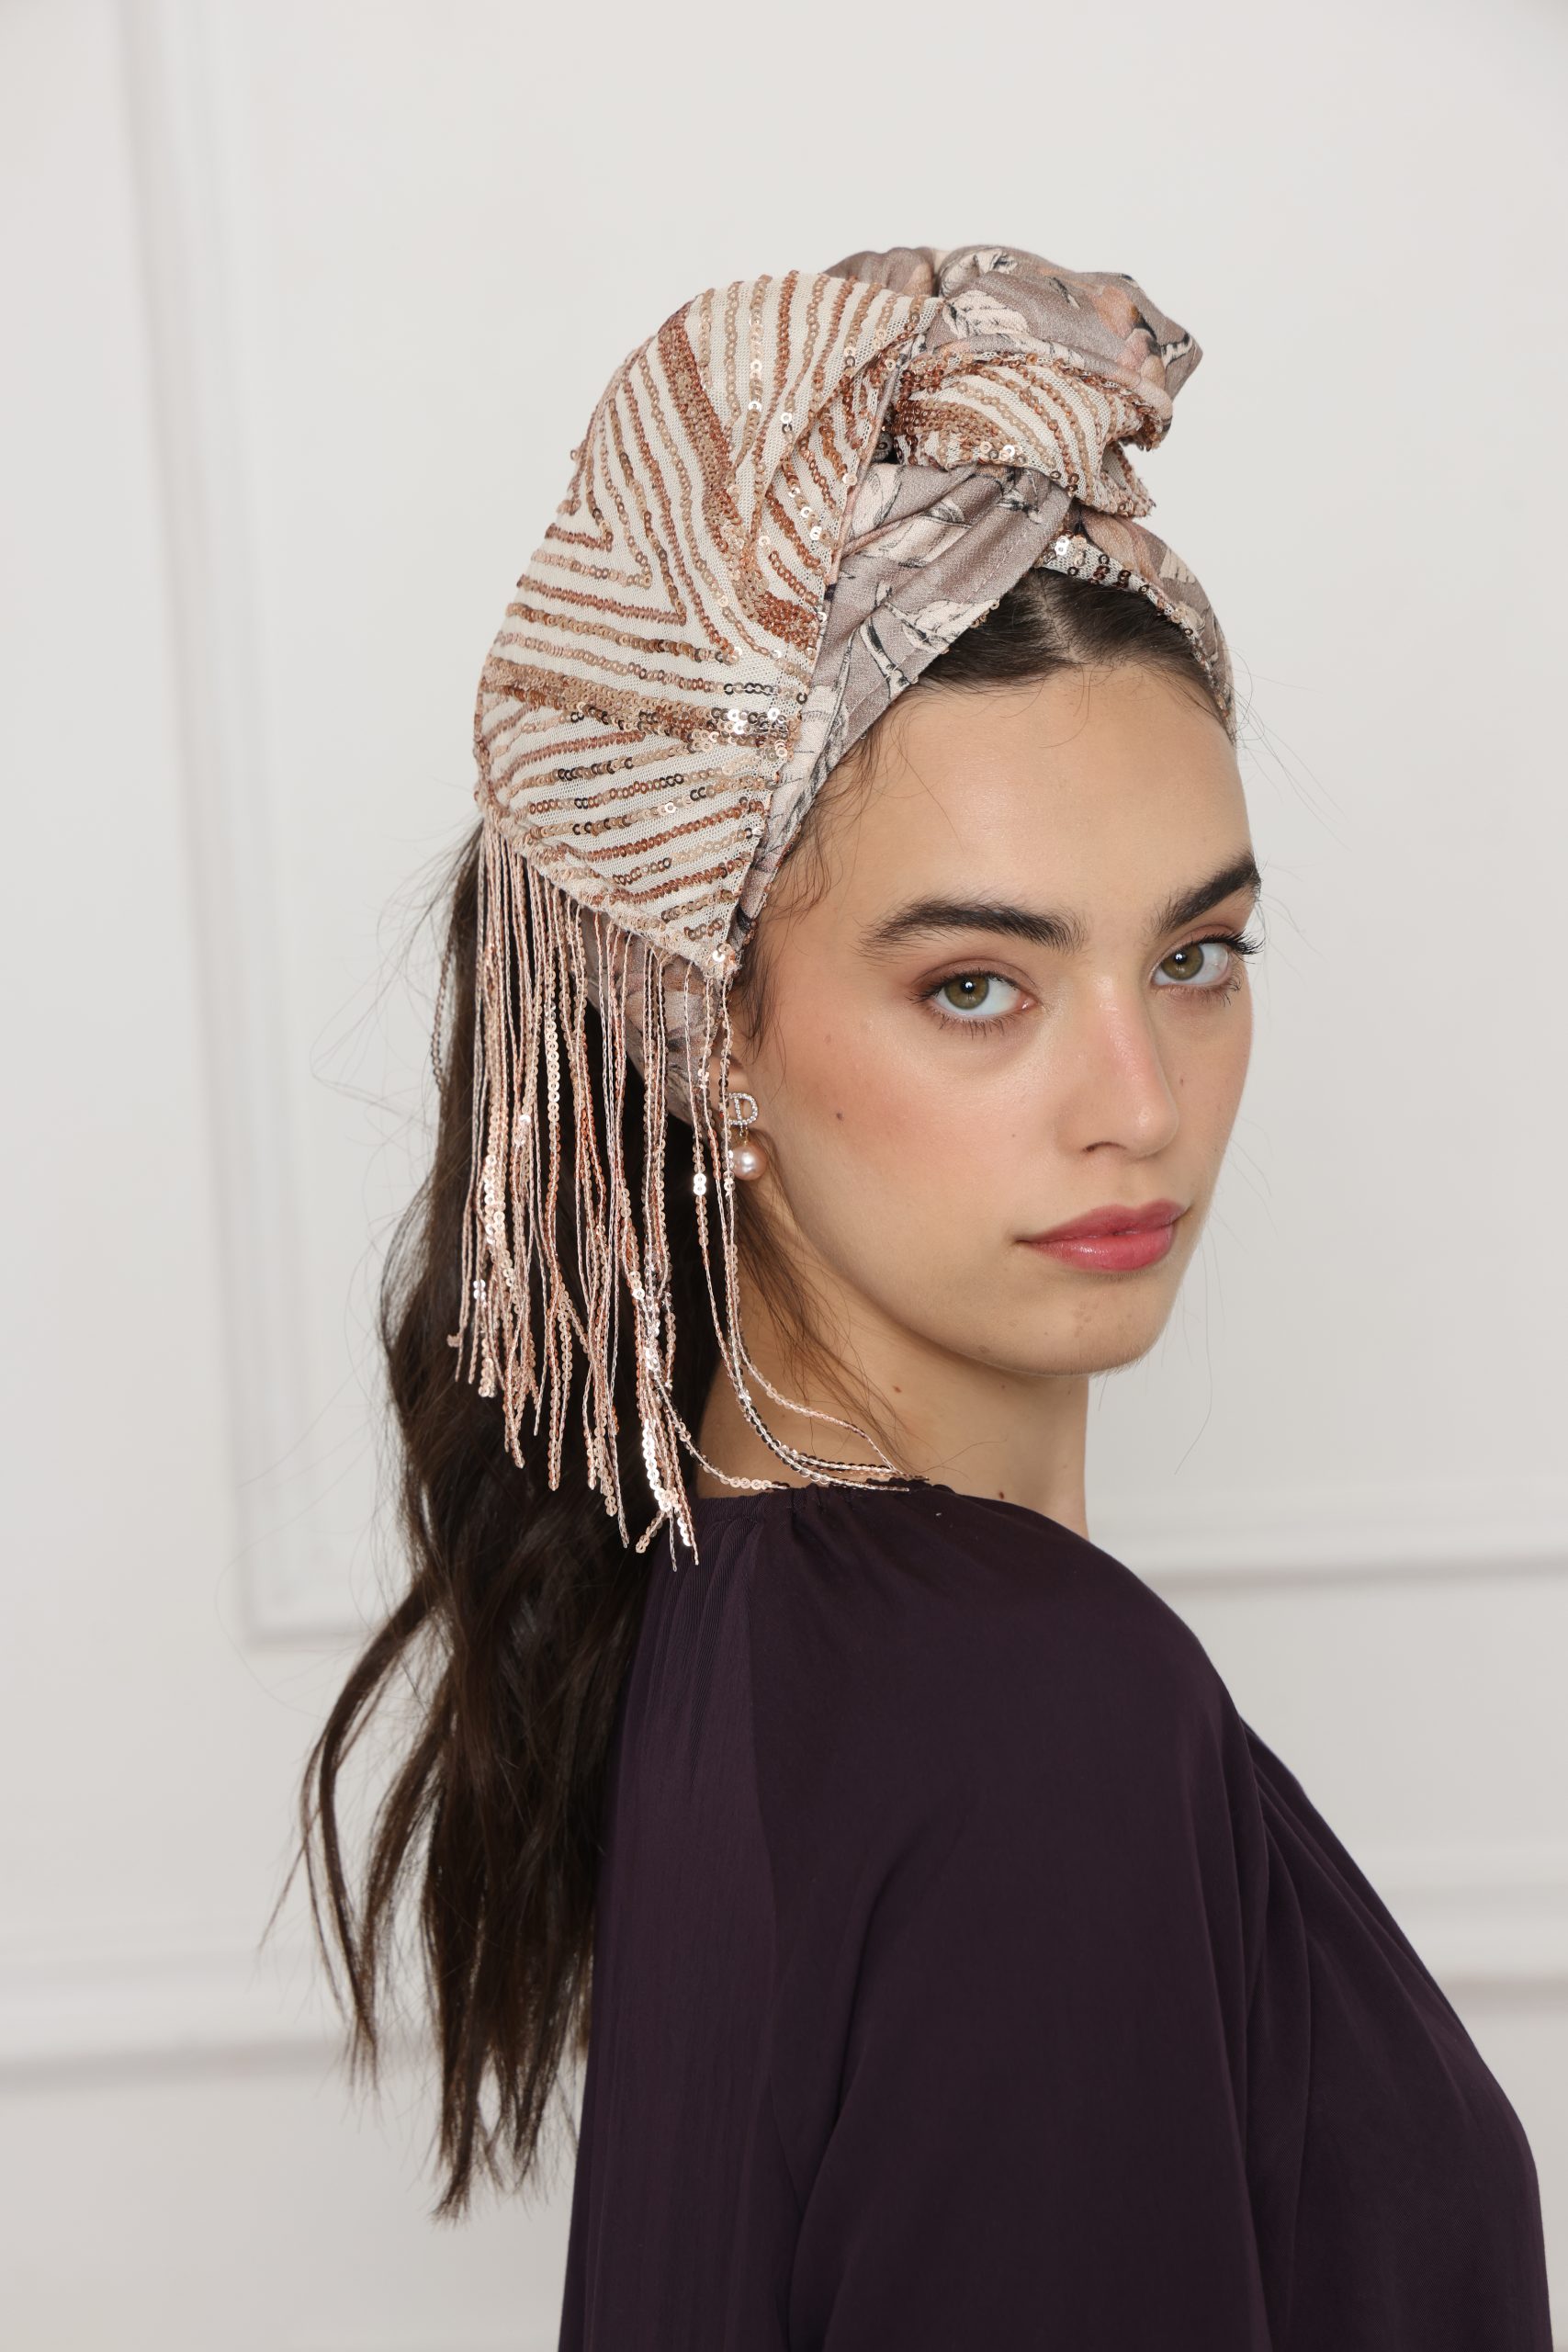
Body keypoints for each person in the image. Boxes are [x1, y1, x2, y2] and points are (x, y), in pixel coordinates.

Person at [290, 244, 1555, 2346]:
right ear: (700, 1031)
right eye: (974, 984)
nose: (1137, 1100)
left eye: (1194, 956)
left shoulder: (737, 1621)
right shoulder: (1021, 1707)